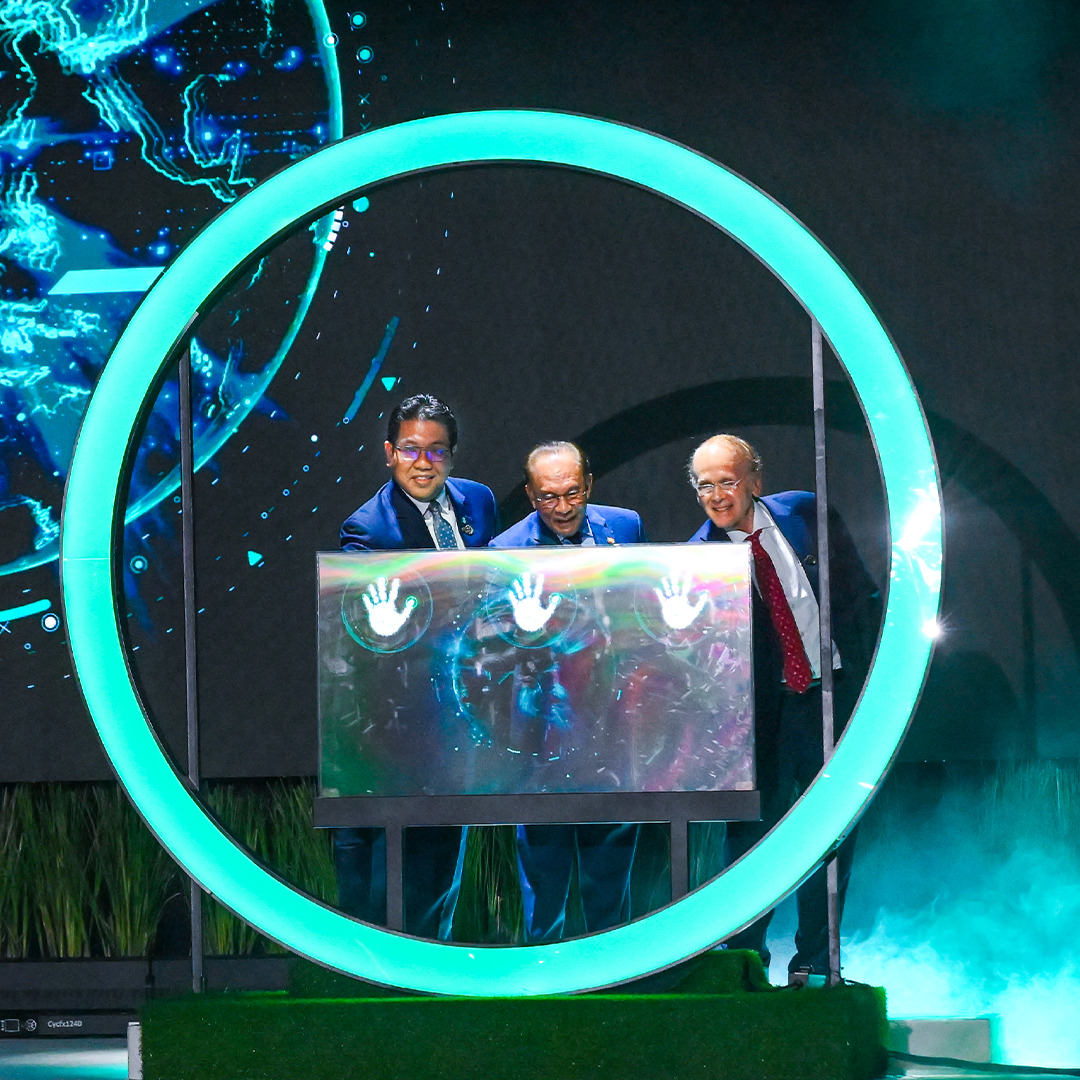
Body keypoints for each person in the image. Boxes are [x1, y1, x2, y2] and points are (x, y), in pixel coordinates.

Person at [686, 433, 881, 981]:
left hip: (832, 699)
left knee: (832, 832)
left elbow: (861, 596)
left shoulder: (805, 513)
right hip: (761, 720)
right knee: (753, 839)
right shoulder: (696, 557)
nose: (717, 495)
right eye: (705, 485)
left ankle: (816, 962)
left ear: (755, 479)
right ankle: (745, 963)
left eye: (728, 481)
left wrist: (869, 681)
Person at [336, 393, 498, 939]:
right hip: (400, 722)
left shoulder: (478, 502)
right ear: (389, 453)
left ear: (452, 455)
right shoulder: (367, 530)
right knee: (397, 869)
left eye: (436, 451)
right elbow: (364, 634)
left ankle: (437, 960)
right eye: (410, 449)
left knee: (446, 859)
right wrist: (389, 629)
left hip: (464, 711)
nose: (423, 462)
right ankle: (384, 969)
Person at [490, 441, 646, 941]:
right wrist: (529, 629)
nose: (562, 507)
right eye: (548, 497)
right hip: (546, 725)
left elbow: (641, 611)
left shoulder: (625, 528)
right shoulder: (505, 550)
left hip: (613, 721)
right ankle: (545, 963)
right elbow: (497, 646)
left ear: (589, 485)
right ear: (530, 495)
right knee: (544, 859)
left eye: (572, 493)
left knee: (612, 856)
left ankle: (615, 962)